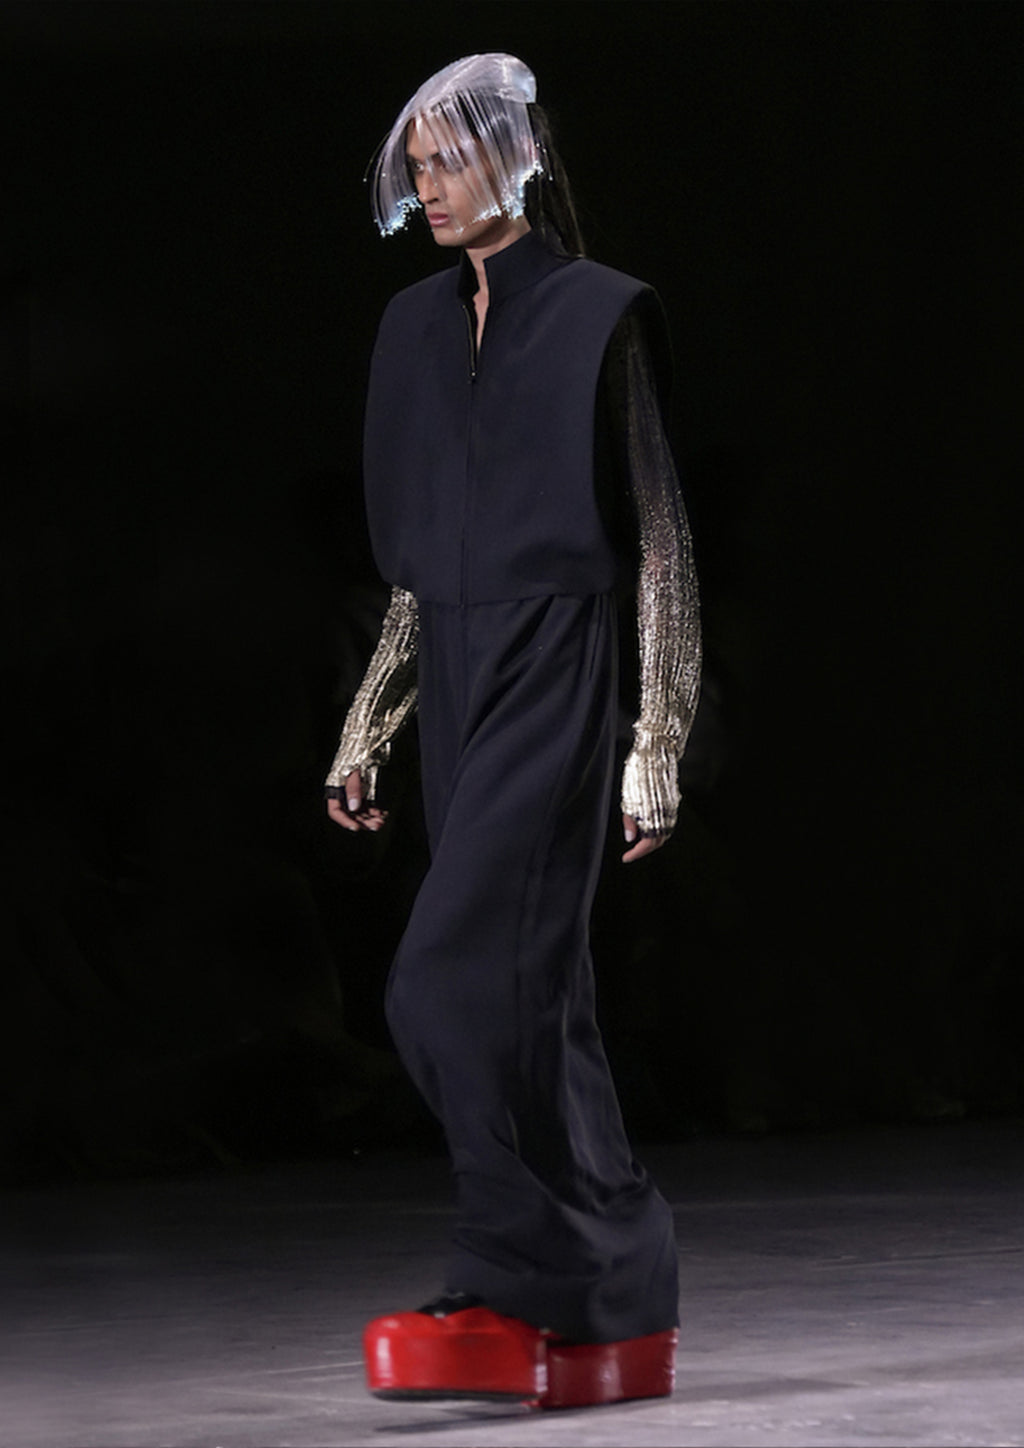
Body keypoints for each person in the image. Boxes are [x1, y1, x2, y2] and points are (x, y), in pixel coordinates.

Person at [325, 53, 701, 1409]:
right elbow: (420, 567)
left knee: (447, 984)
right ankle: (615, 1298)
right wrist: (369, 724)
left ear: (517, 155)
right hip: (458, 672)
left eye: (453, 158)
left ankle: (505, 1280)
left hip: (555, 662)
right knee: (535, 1003)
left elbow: (659, 537)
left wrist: (656, 739)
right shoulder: (415, 330)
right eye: (417, 165)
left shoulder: (598, 315)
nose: (431, 185)